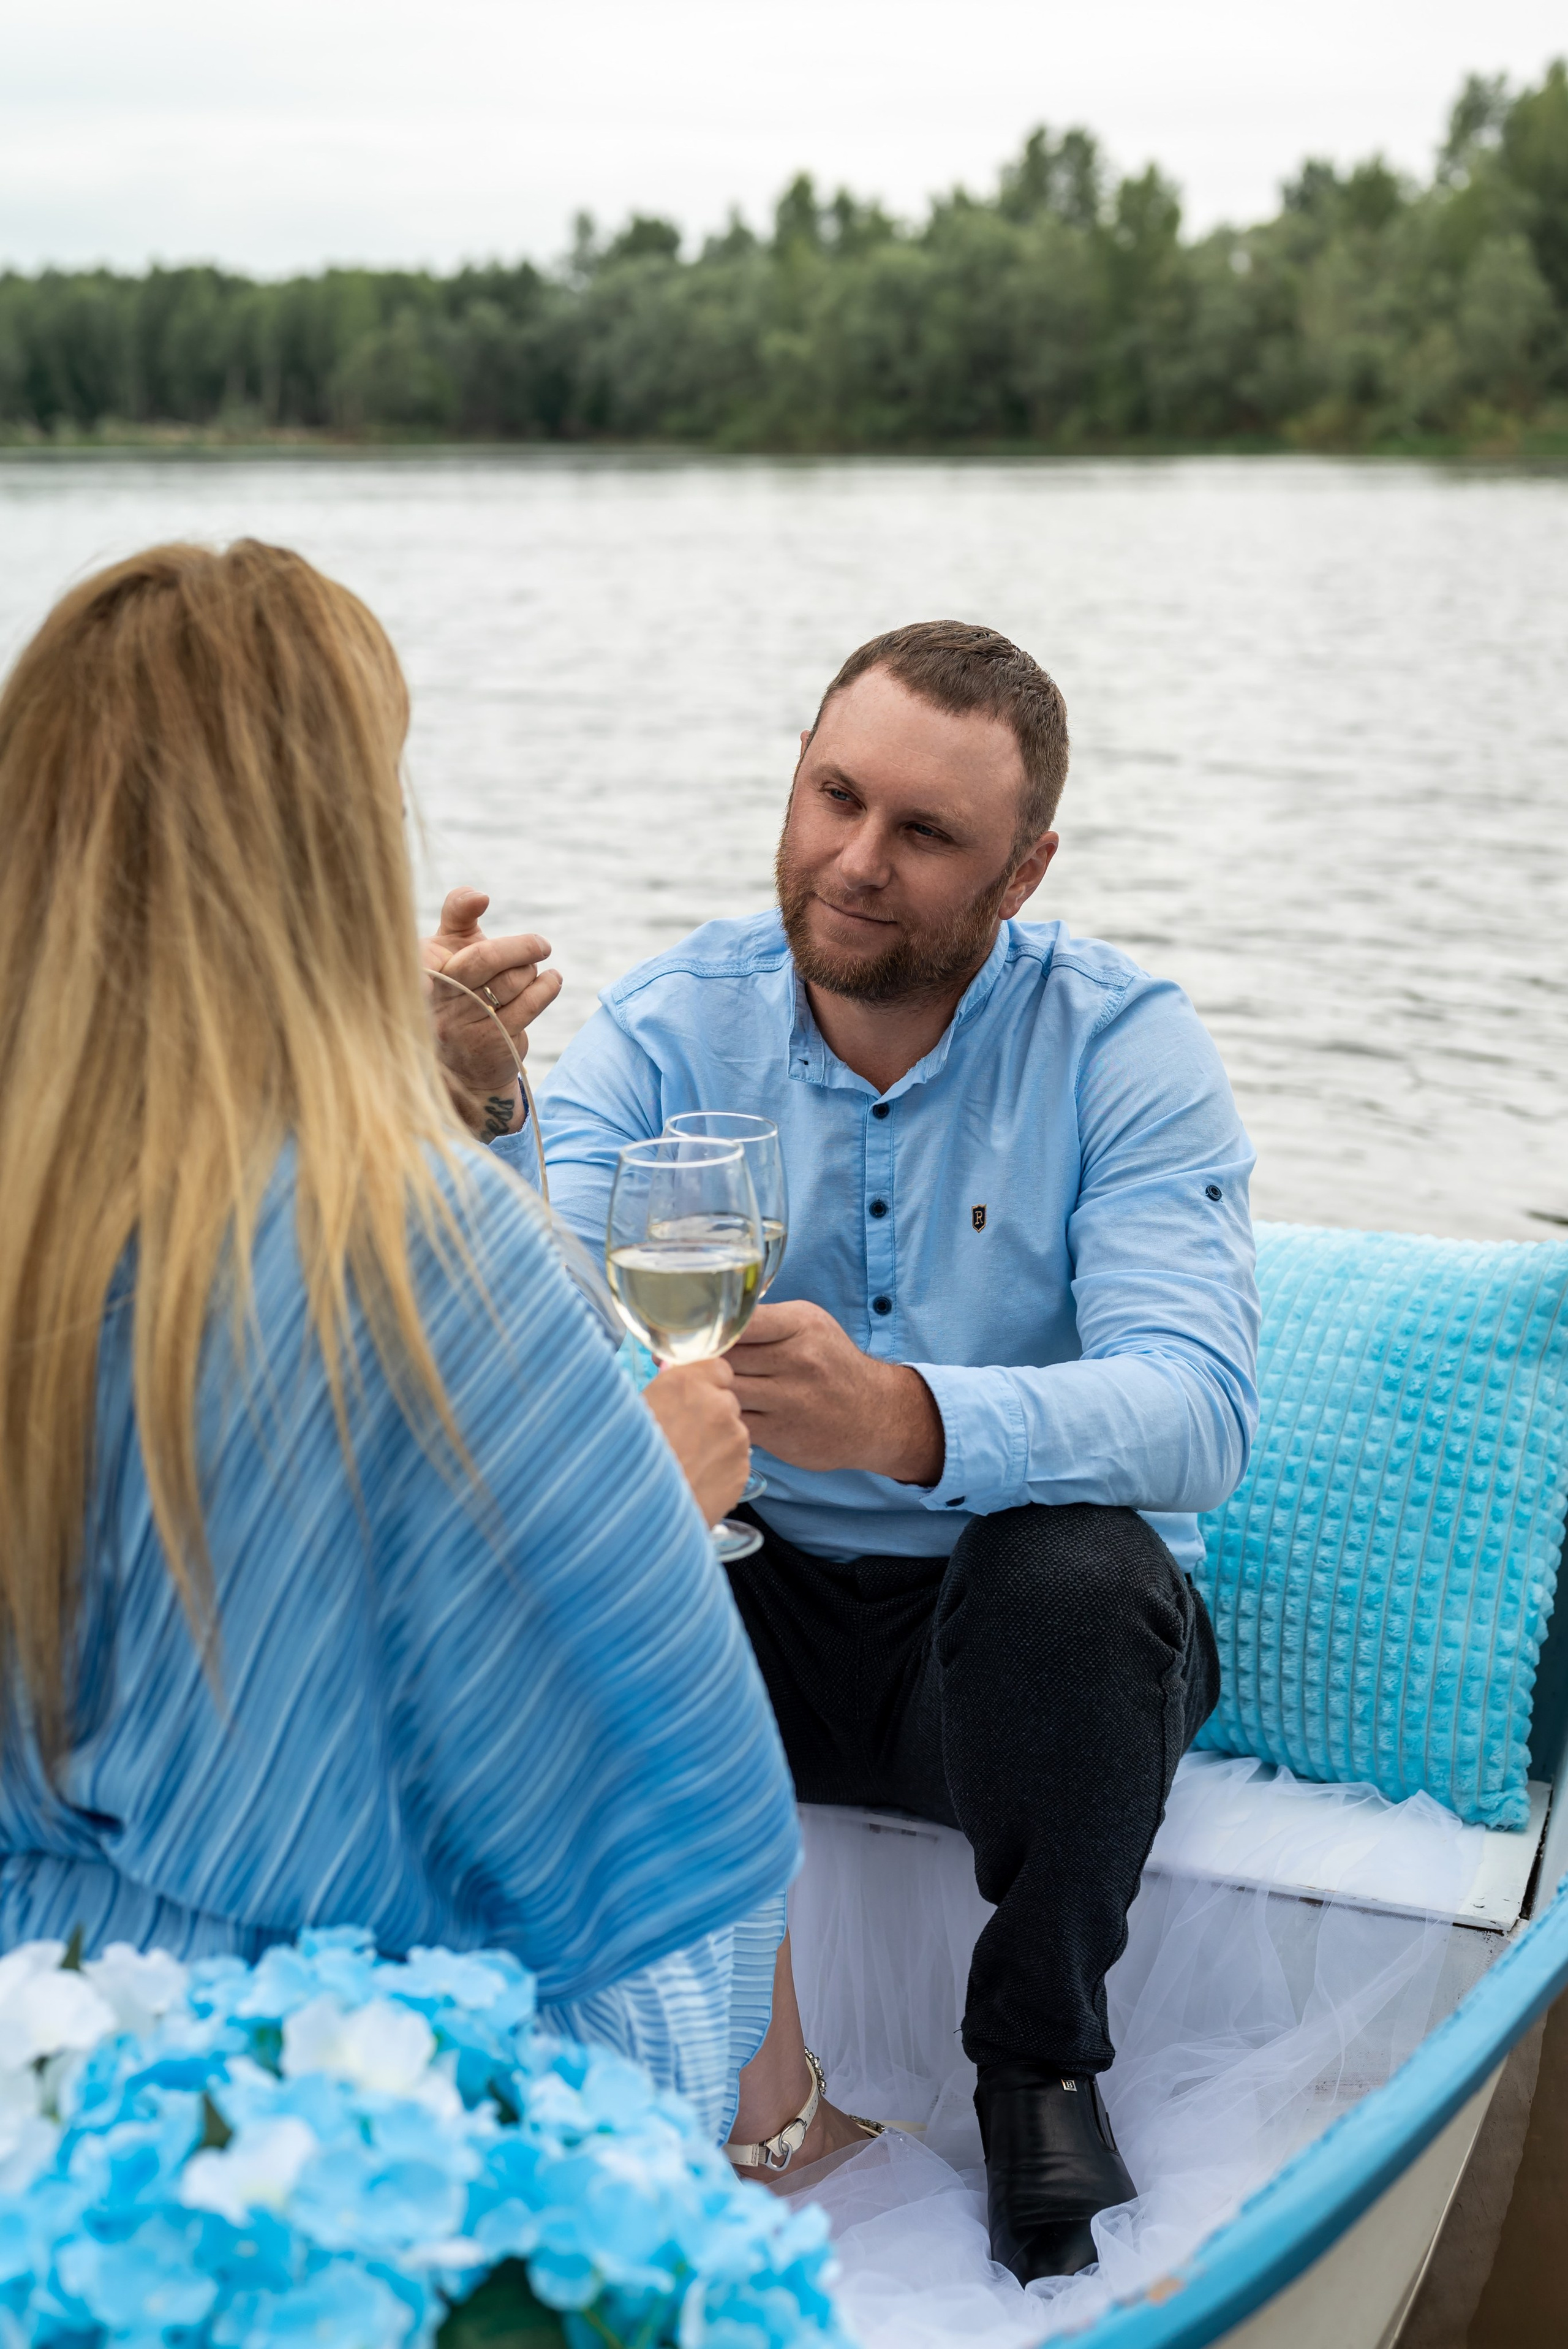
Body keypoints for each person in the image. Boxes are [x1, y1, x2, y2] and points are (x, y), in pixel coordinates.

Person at [434, 621, 1261, 2280]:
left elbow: (1198, 1405)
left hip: (1012, 1666)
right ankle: (624, 2072)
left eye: (925, 833)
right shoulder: (671, 1025)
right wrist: (477, 1121)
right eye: (835, 796)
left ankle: (1037, 2067)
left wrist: (910, 1417)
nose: (855, 861)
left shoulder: (1124, 1042)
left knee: (1078, 1568)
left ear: (1020, 873)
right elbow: (533, 1348)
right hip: (759, 1620)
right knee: (587, 1536)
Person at [0, 540, 801, 2147]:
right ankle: (798, 2147)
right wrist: (650, 1482)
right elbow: (608, 1769)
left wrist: (455, 1103)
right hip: (338, 2079)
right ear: (328, 848)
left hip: (44, 2010)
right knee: (701, 1932)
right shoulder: (416, 1247)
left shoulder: (48, 1201)